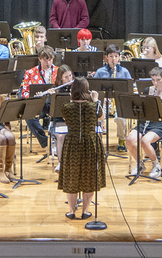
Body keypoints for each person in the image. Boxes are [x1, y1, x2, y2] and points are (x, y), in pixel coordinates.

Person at [57, 77, 106, 220]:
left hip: (72, 143)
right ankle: (85, 211)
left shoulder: (66, 107)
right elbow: (101, 117)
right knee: (89, 176)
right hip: (90, 143)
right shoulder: (93, 106)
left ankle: (71, 211)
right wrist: (96, 101)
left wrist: (71, 100)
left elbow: (66, 119)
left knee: (72, 176)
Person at [124, 67, 162, 179]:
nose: (155, 83)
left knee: (145, 141)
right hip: (145, 122)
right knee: (129, 140)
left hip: (161, 124)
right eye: (153, 80)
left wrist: (160, 103)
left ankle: (156, 165)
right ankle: (140, 164)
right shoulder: (148, 90)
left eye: (158, 80)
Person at [93, 44, 133, 150]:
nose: (113, 59)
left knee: (121, 119)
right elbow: (94, 89)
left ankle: (121, 140)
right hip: (104, 101)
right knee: (98, 116)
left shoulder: (124, 72)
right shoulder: (100, 71)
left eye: (115, 56)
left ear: (119, 57)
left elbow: (130, 90)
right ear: (106, 57)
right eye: (110, 56)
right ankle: (98, 139)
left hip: (119, 102)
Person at [19, 46, 58, 149]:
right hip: (38, 104)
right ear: (40, 59)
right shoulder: (30, 73)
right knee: (28, 116)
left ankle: (56, 141)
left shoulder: (58, 72)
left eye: (50, 60)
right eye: (45, 60)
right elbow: (25, 92)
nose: (48, 63)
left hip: (53, 104)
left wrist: (55, 92)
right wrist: (34, 96)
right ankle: (45, 143)